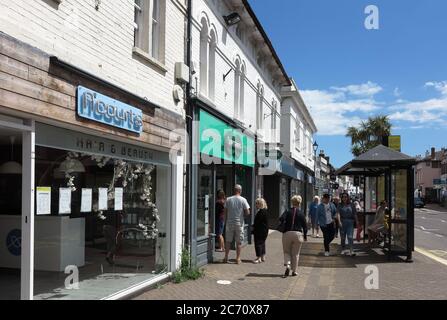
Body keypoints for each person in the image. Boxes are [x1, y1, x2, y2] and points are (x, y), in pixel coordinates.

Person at [279, 195, 307, 277]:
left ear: (292, 202)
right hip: (298, 234)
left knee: (287, 251)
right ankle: (294, 271)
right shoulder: (301, 213)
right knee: (296, 254)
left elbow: (281, 219)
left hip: (287, 233)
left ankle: (287, 265)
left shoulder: (287, 211)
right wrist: (305, 236)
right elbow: (305, 226)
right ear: (299, 203)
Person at [223, 184, 251, 264]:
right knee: (238, 242)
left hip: (229, 223)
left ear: (234, 190)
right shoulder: (243, 200)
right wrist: (242, 215)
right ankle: (238, 259)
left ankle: (226, 257)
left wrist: (225, 221)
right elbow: (248, 212)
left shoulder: (228, 199)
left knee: (228, 241)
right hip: (239, 223)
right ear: (240, 191)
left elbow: (225, 212)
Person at [252, 198, 269, 263]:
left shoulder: (261, 212)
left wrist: (253, 227)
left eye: (257, 203)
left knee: (258, 243)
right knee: (262, 243)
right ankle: (263, 256)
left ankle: (258, 257)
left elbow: (258, 222)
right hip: (264, 230)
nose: (256, 205)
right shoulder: (265, 211)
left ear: (260, 204)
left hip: (259, 231)